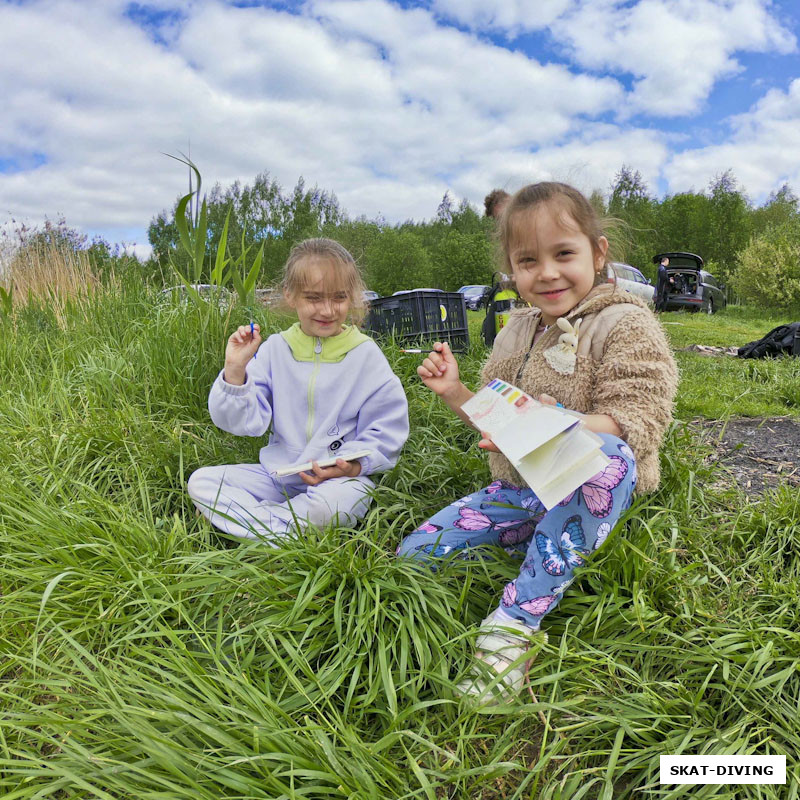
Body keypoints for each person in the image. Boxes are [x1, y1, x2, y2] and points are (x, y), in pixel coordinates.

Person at [398, 182, 678, 702]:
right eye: (528, 260)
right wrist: (455, 390)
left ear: (598, 252)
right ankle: (549, 536)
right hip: (523, 486)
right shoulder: (514, 329)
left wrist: (566, 421)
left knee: (611, 457)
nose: (547, 273)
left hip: (593, 477)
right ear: (512, 269)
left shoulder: (626, 324)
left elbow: (640, 420)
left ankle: (514, 624)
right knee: (416, 554)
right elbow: (495, 419)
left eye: (564, 253)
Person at [188, 238, 410, 544]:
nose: (328, 310)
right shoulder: (276, 349)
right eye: (314, 298)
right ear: (290, 296)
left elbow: (387, 427)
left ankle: (254, 524)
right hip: (279, 474)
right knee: (203, 482)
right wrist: (235, 369)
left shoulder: (365, 354)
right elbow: (242, 421)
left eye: (340, 298)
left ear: (354, 297)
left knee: (328, 508)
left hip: (339, 481)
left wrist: (354, 465)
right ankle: (286, 529)